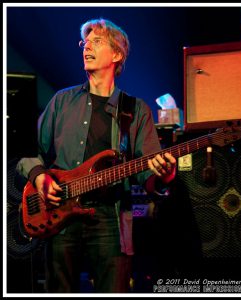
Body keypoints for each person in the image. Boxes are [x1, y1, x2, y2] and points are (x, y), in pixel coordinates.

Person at [15, 18, 176, 293]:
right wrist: (40, 178)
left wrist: (164, 173)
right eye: (84, 42)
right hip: (60, 217)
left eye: (96, 41)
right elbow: (27, 152)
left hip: (111, 221)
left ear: (116, 54)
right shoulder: (62, 101)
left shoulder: (135, 110)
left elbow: (148, 176)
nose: (86, 46)